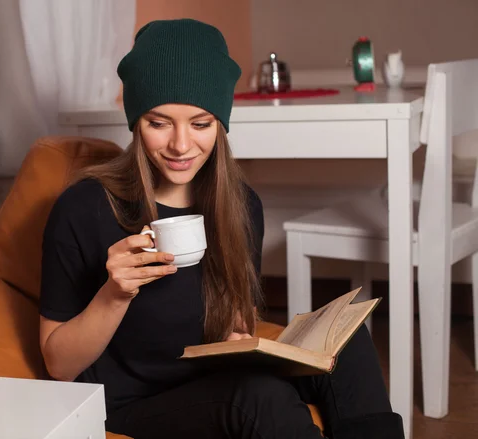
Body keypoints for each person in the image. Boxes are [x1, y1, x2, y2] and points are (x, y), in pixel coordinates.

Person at [38, 18, 404, 439]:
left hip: (212, 377)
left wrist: (240, 337)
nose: (180, 144)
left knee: (349, 341)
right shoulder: (84, 208)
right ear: (136, 122)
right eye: (159, 123)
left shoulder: (241, 206)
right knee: (259, 397)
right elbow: (58, 366)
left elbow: (237, 317)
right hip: (131, 402)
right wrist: (114, 294)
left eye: (200, 123)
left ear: (221, 124)